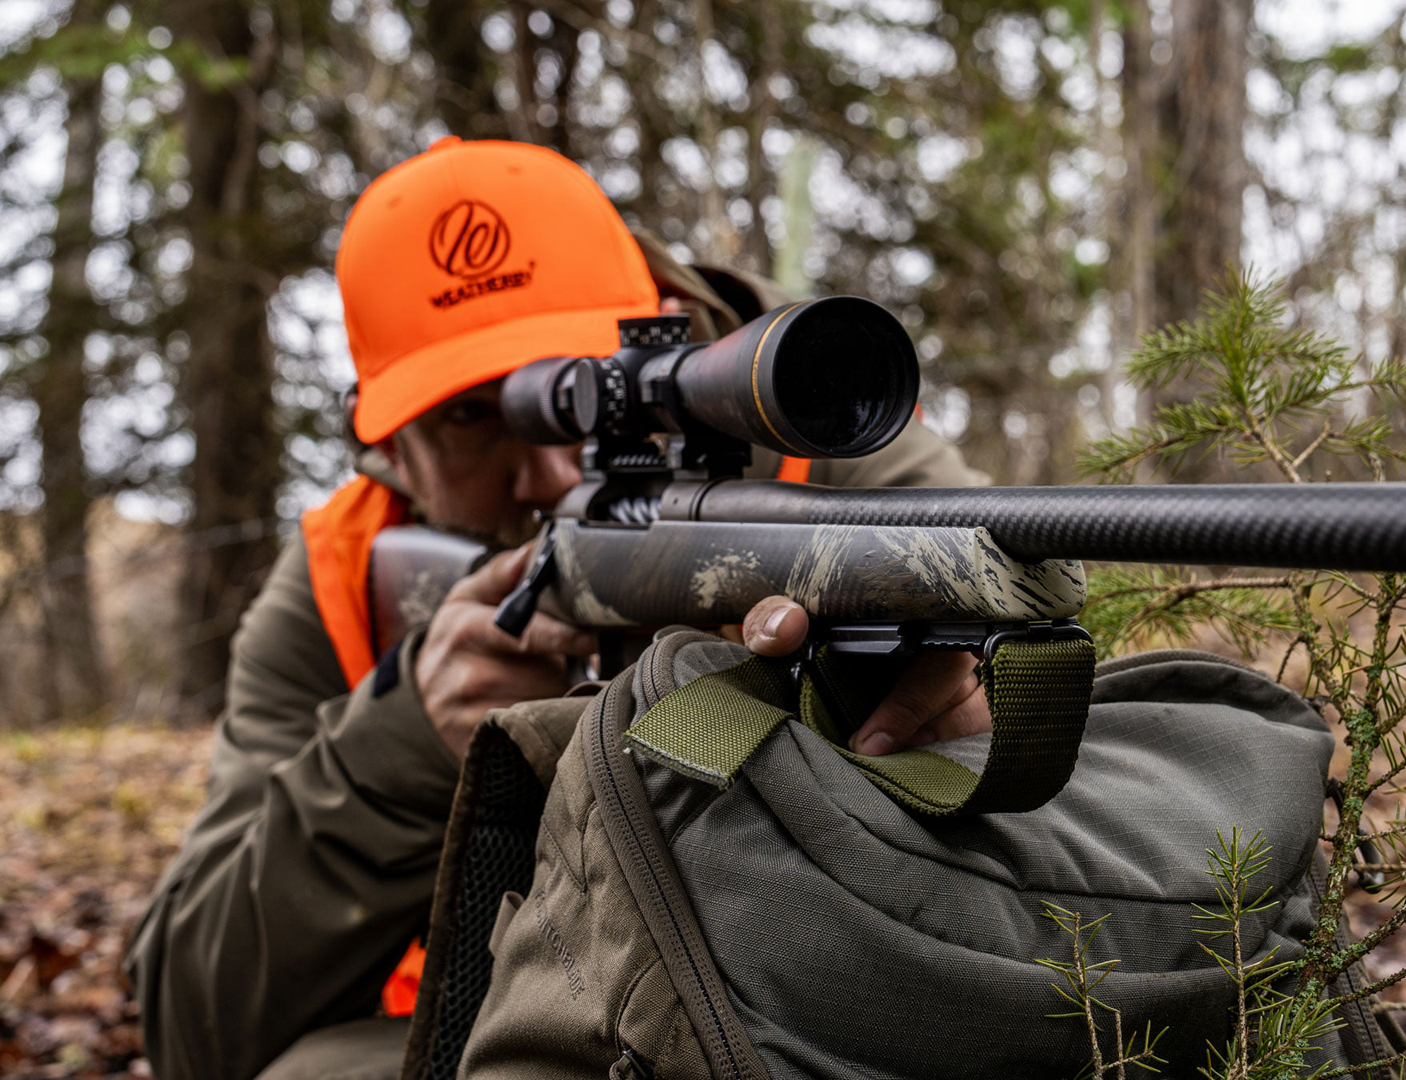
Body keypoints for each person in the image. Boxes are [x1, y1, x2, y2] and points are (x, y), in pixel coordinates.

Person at [129, 137, 989, 1080]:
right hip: (499, 1022)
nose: (547, 466)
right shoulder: (345, 579)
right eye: (470, 416)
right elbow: (190, 1030)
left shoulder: (824, 449)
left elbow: (1069, 747)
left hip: (818, 997)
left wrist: (953, 716)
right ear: (384, 443)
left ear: (666, 336)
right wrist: (405, 747)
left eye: (578, 387)